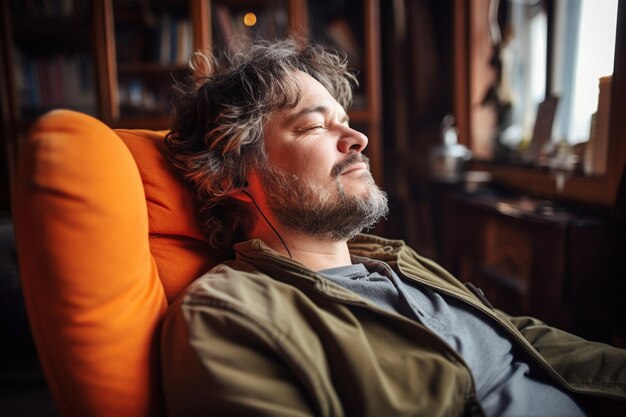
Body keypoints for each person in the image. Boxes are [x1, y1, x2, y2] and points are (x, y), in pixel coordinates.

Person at [160, 39, 626, 417]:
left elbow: (519, 339)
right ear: (232, 175)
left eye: (345, 121)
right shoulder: (227, 315)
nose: (358, 138)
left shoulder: (395, 260)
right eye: (313, 127)